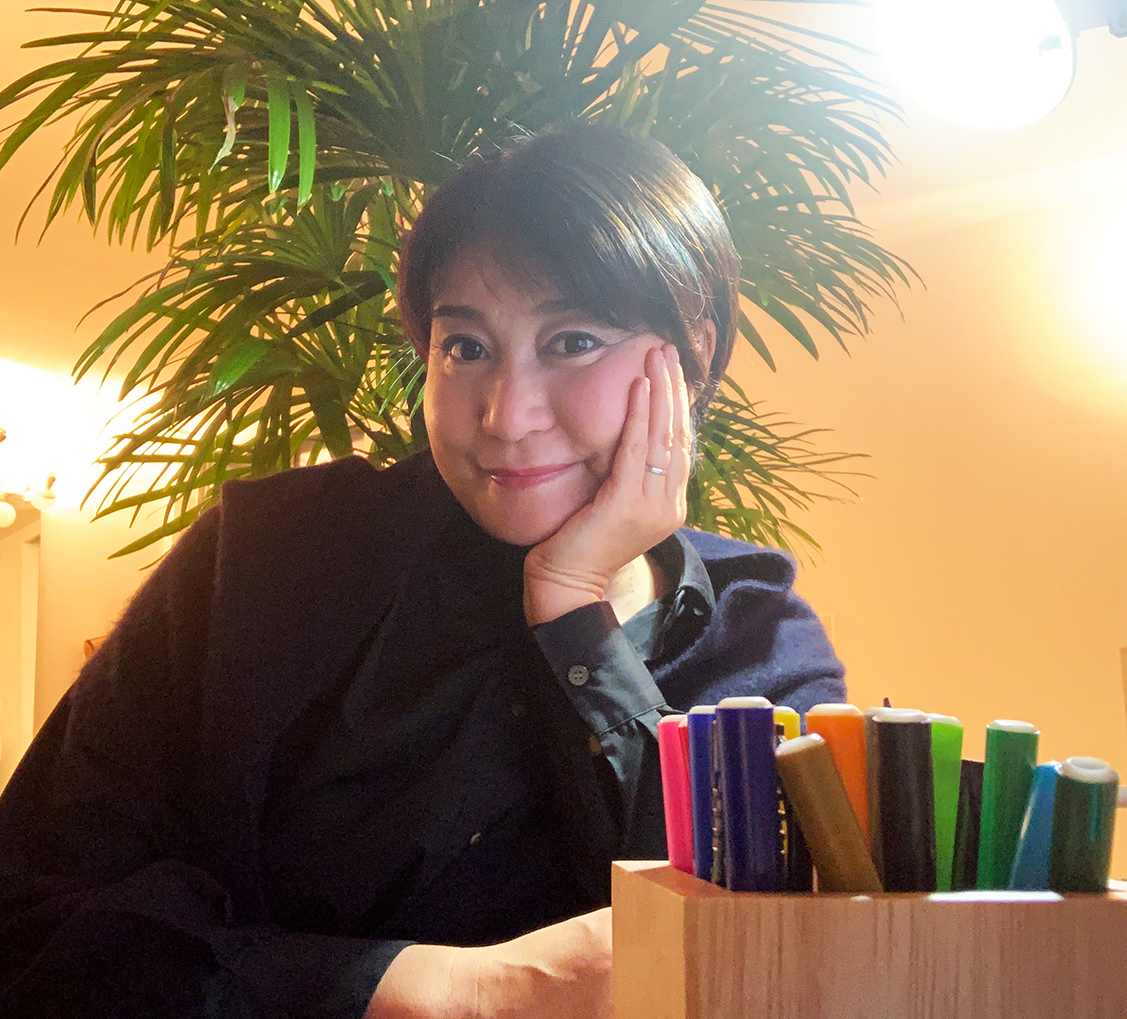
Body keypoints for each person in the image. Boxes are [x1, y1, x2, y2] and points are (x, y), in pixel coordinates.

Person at [0, 123, 845, 1019]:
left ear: (694, 354)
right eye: (466, 347)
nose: (507, 416)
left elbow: (742, 969)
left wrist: (576, 617)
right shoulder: (266, 559)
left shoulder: (758, 643)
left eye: (573, 341)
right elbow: (28, 916)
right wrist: (446, 990)